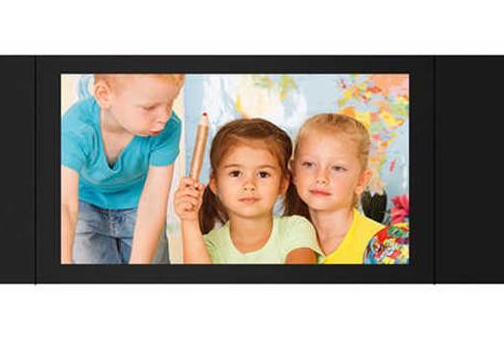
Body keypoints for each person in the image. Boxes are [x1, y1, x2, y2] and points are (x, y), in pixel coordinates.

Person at [61, 73, 184, 264]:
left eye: (170, 102)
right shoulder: (75, 127)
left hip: (140, 205)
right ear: (104, 95)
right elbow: (65, 205)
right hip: (86, 205)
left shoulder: (169, 128)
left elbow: (153, 204)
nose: (164, 117)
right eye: (149, 107)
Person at [173, 118, 321, 264]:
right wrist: (189, 220)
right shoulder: (208, 245)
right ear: (215, 183)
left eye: (263, 174)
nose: (249, 185)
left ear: (283, 184)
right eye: (235, 173)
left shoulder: (296, 229)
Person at [289, 113, 409, 264]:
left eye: (338, 168)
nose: (321, 177)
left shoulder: (384, 246)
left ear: (361, 181)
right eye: (309, 164)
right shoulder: (282, 238)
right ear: (294, 171)